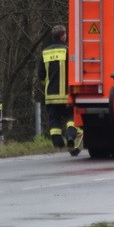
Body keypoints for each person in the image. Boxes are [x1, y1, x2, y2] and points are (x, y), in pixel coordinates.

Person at [37, 24, 82, 155]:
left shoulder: (44, 53)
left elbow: (41, 76)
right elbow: (74, 73)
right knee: (70, 117)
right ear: (63, 36)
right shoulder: (68, 51)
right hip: (66, 95)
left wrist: (48, 84)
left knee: (54, 119)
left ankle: (57, 142)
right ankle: (70, 137)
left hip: (50, 96)